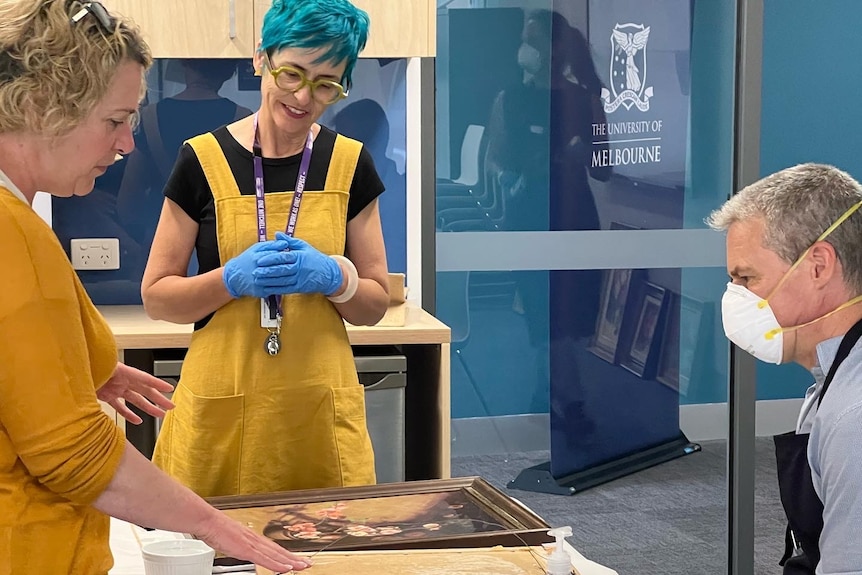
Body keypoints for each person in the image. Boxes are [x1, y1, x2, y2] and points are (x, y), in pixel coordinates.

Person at [0, 1, 311, 572]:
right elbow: (73, 458)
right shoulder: (12, 233)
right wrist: (215, 525)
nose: (125, 146)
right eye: (114, 121)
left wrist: (82, 368)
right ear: (42, 107)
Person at [142, 0, 389, 498]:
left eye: (327, 83)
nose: (304, 96)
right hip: (222, 409)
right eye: (292, 73)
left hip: (317, 416)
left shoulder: (350, 163)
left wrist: (338, 279)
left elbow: (376, 304)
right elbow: (157, 296)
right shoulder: (201, 159)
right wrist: (230, 279)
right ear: (261, 59)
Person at [707, 163, 862, 575]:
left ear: (818, 266)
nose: (734, 298)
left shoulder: (854, 417)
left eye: (747, 278)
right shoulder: (833, 376)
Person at [118, 59, 253, 251]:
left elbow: (129, 199)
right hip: (221, 240)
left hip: (161, 237)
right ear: (230, 73)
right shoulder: (243, 119)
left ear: (183, 65)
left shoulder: (149, 117)